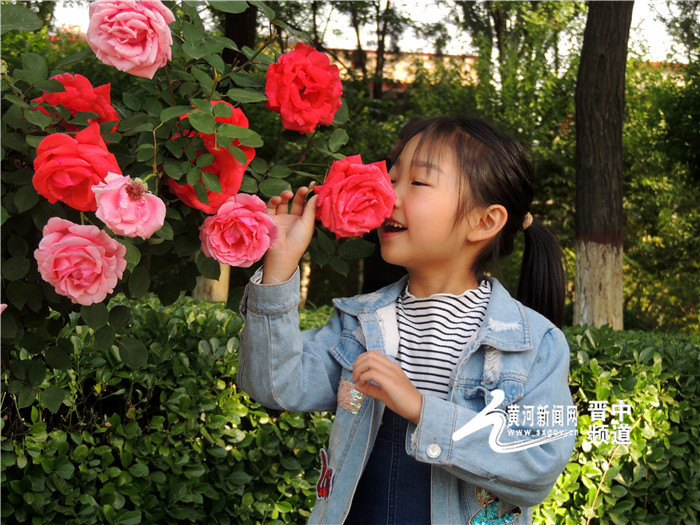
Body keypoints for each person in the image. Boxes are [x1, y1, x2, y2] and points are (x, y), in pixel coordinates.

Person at [237, 116, 576, 524]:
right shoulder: (361, 322)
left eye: (417, 183)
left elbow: (538, 466)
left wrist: (420, 408)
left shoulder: (533, 345)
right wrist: (279, 269)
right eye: (392, 177)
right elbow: (276, 385)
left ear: (484, 221)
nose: (388, 196)